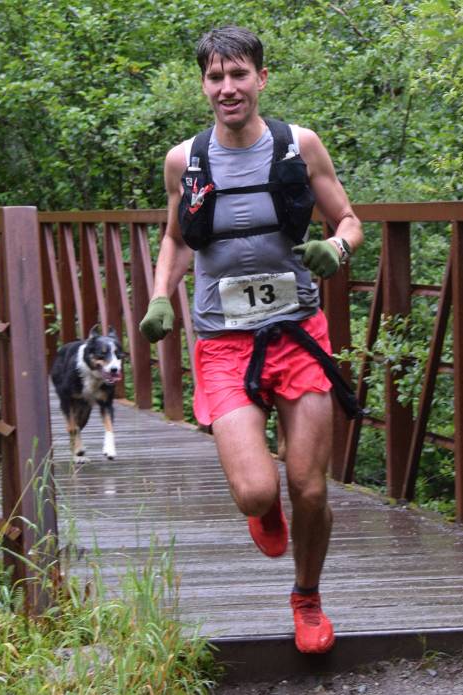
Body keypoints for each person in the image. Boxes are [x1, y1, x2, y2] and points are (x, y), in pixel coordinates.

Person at [138, 25, 362, 655]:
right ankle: (267, 510)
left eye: (239, 75)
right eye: (216, 77)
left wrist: (335, 247)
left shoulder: (298, 146)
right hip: (224, 340)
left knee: (310, 485)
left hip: (297, 333)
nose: (228, 88)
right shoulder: (185, 160)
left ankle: (307, 596)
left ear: (261, 79)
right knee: (257, 490)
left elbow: (349, 219)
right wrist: (161, 297)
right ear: (204, 85)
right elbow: (179, 237)